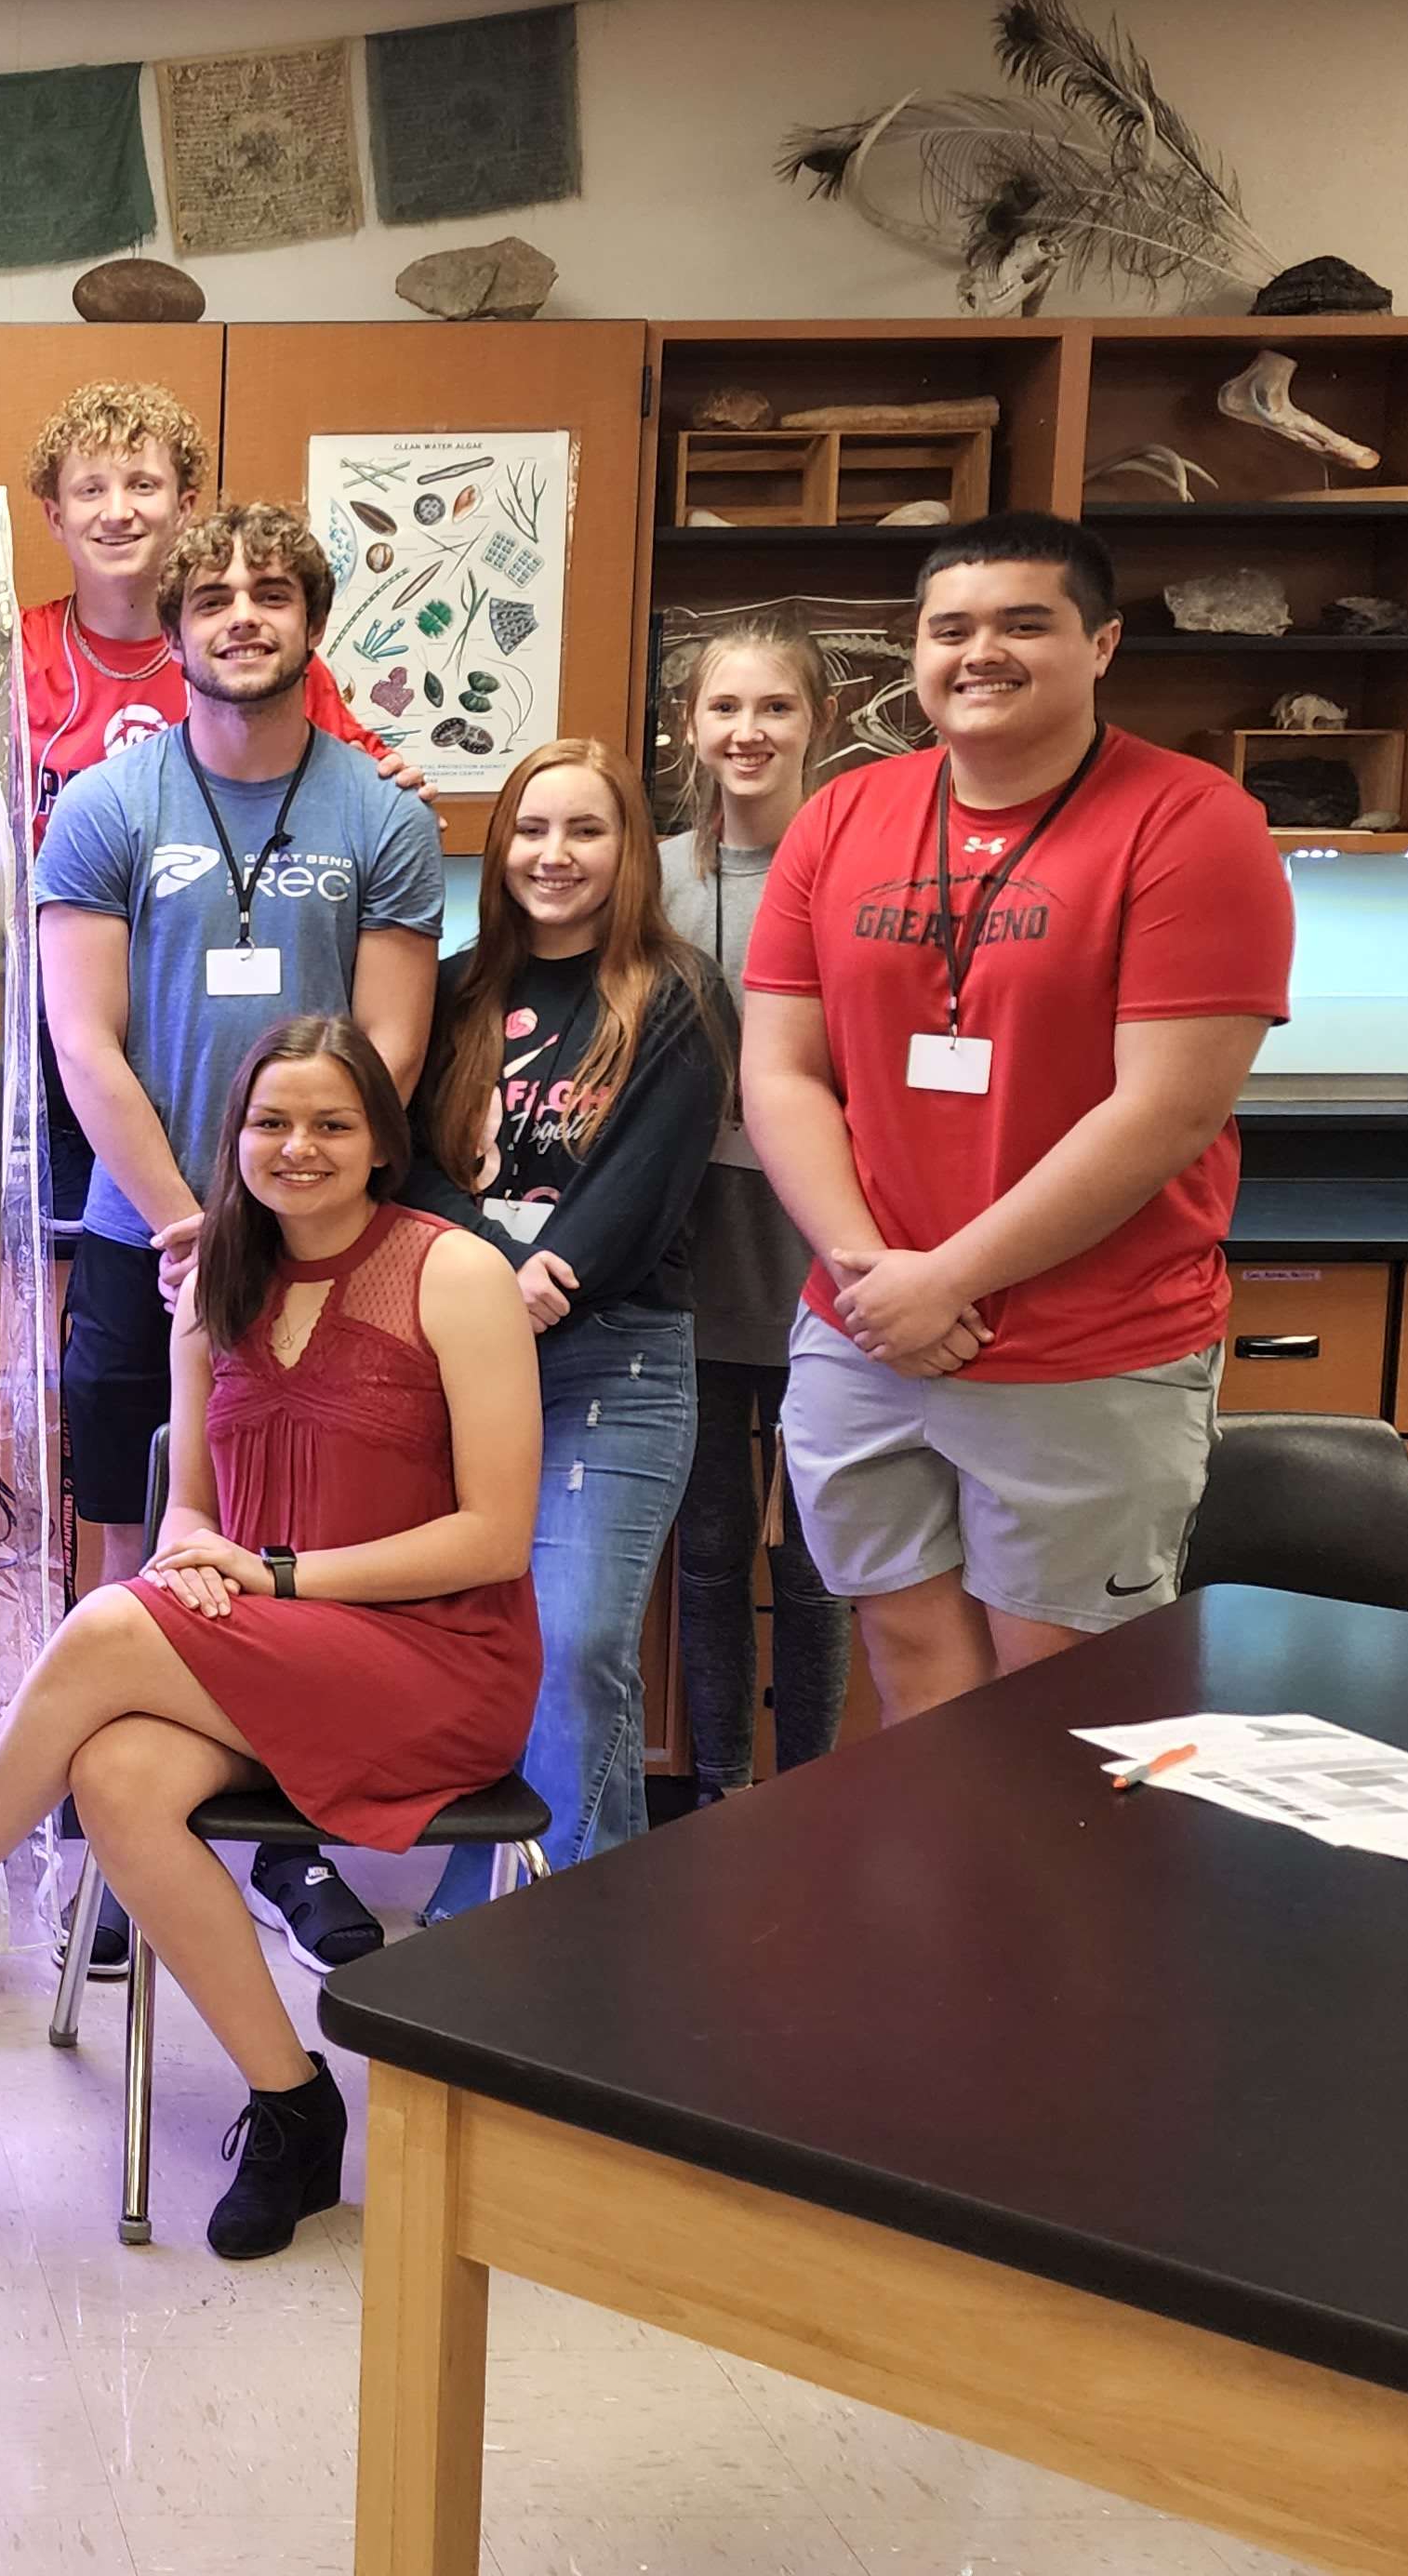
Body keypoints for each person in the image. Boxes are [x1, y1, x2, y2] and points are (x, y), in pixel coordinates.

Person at [0, 1016, 540, 2262]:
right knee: (114, 1773)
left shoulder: (456, 1273)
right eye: (271, 1122)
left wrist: (275, 1577)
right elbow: (190, 1511)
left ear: (381, 1141)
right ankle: (294, 2106)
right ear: (235, 1140)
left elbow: (493, 1537)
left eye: (332, 1123)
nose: (299, 1147)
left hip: (433, 1663)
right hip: (272, 1652)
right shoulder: (214, 1285)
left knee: (111, 1625)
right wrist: (201, 1562)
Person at [741, 511, 1292, 1720]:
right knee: (911, 1673)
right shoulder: (840, 817)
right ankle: (940, 1865)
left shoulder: (1192, 823)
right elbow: (779, 1071)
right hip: (865, 1331)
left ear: (1101, 644)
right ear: (916, 653)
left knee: (1065, 1709)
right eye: (951, 630)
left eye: (1022, 624)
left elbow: (1165, 1110)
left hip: (1084, 1346)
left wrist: (946, 1281)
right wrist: (873, 1276)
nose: (980, 652)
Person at [34, 504, 445, 1971]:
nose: (242, 616)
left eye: (272, 594)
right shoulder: (105, 804)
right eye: (212, 597)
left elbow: (389, 1044)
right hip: (140, 1234)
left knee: (296, 1541)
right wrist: (187, 1223)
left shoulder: (384, 817)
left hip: (326, 1246)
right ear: (178, 626)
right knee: (132, 1531)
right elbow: (84, 1041)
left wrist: (285, 1220)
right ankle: (112, 1838)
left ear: (312, 624)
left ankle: (289, 1840)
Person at [406, 739, 725, 1889]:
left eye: (585, 830)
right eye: (532, 830)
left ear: (627, 849)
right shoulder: (451, 992)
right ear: (499, 848)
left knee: (581, 1641)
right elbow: (412, 1165)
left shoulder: (678, 994)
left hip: (612, 1357)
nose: (555, 854)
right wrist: (497, 1275)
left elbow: (647, 1181)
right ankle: (564, 1917)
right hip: (458, 1357)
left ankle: (522, 1925)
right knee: (488, 1643)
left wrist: (539, 1280)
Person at [17, 380, 408, 1232]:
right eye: (90, 488)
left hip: (233, 1033)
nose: (117, 511)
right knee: (79, 1250)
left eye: (143, 485)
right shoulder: (12, 656)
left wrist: (401, 788)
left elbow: (364, 788)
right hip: (63, 1013)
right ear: (54, 514)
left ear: (186, 503)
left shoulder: (263, 660)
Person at [657, 615, 853, 1793]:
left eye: (774, 707)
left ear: (816, 722)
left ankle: (815, 1795)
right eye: (723, 708)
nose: (748, 731)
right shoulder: (654, 880)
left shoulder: (858, 873)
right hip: (689, 1246)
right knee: (713, 1545)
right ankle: (723, 1793)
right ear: (689, 726)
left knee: (822, 1555)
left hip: (820, 1241)